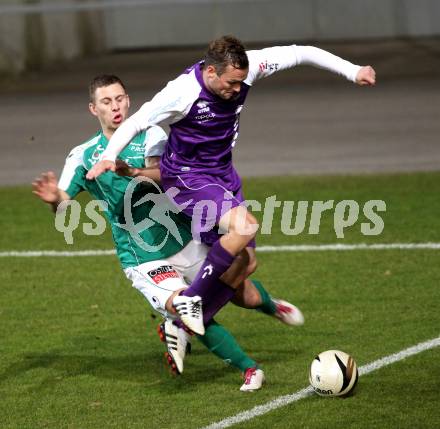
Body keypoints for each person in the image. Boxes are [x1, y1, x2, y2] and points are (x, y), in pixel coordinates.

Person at [86, 36, 376, 338]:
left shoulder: (248, 67)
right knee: (245, 228)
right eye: (231, 83)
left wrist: (352, 71)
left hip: (223, 175)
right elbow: (138, 121)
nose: (238, 90)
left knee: (246, 263)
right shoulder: (181, 92)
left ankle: (183, 323)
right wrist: (108, 156)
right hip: (187, 175)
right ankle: (189, 301)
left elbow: (300, 52)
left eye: (241, 82)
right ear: (211, 72)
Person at [32, 74, 304, 391]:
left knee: (242, 282)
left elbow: (166, 175)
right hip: (142, 255)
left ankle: (270, 306)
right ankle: (249, 368)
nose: (115, 107)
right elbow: (64, 203)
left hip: (184, 237)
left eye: (119, 99)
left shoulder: (150, 135)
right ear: (94, 109)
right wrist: (55, 200)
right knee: (188, 307)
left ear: (129, 100)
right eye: (106, 102)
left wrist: (132, 171)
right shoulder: (82, 155)